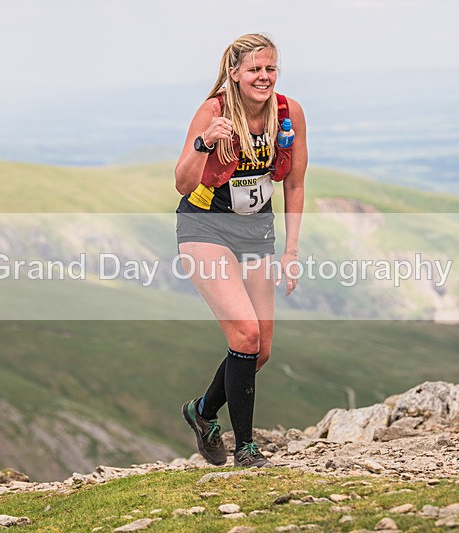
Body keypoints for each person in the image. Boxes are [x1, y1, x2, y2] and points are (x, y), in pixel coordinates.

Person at [175, 33, 307, 467]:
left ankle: (203, 411)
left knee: (259, 350)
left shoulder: (289, 113)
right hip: (204, 226)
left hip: (256, 234)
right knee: (245, 334)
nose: (263, 77)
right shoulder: (213, 111)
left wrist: (290, 251)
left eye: (270, 68)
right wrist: (204, 142)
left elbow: (294, 183)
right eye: (254, 69)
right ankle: (246, 449)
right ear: (234, 73)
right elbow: (182, 181)